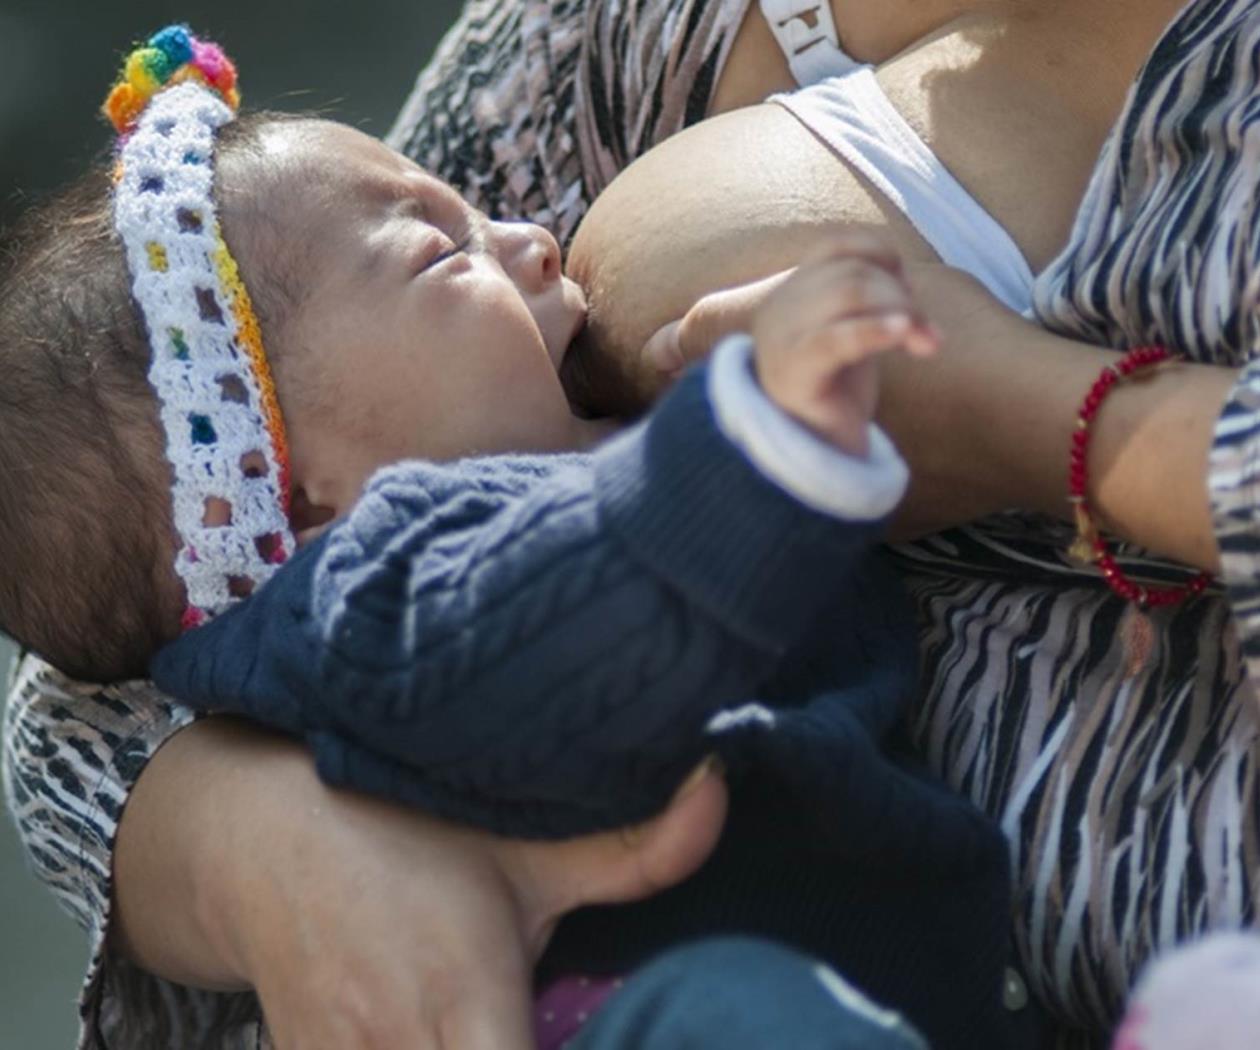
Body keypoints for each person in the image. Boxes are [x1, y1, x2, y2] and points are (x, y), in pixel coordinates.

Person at [5, 0, 1258, 1047]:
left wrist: (1025, 414)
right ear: (301, 491)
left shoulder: (435, 455)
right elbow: (572, 608)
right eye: (447, 256)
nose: (526, 234)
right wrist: (744, 442)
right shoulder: (388, 587)